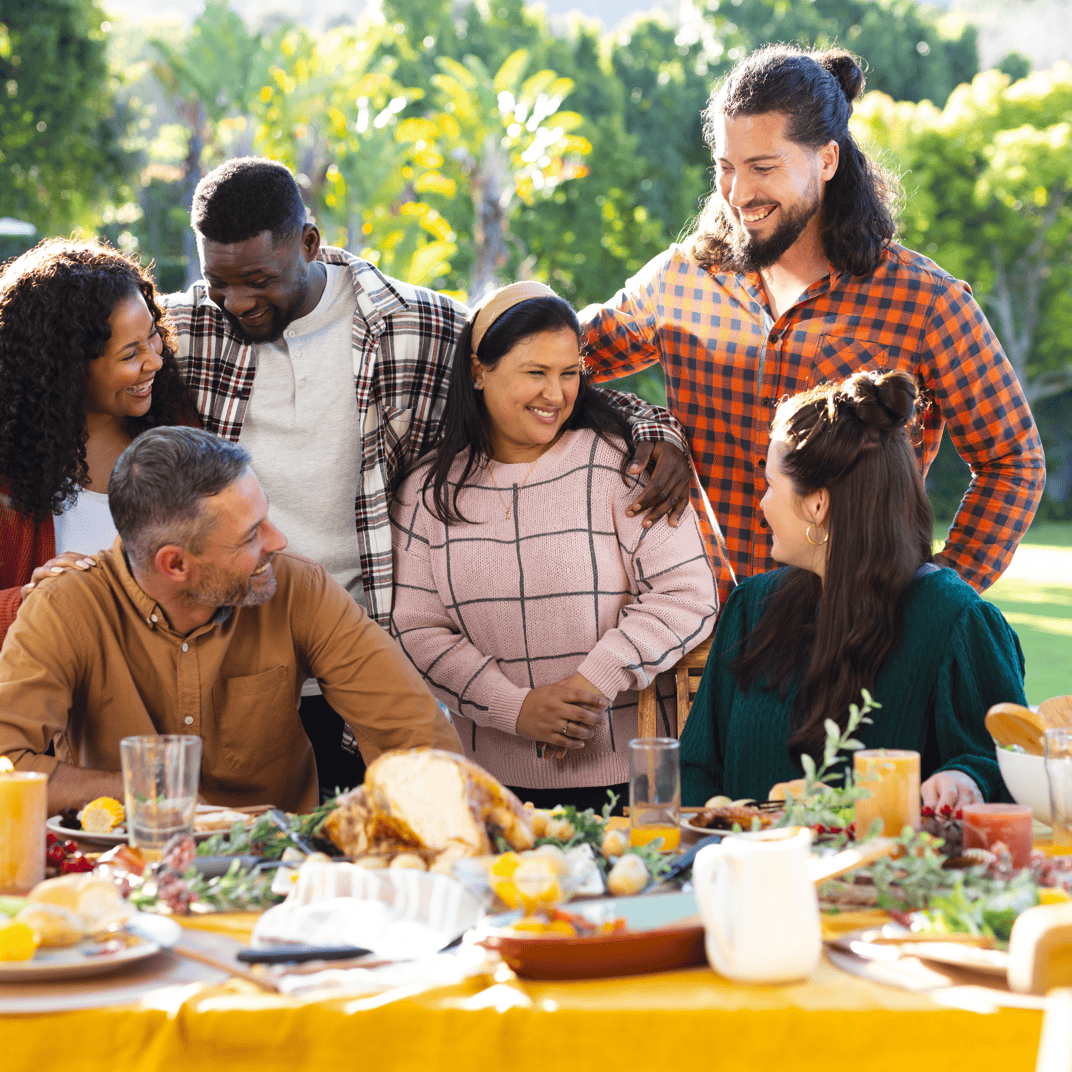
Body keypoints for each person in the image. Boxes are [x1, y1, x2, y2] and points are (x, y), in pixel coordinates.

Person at [160, 156, 695, 794]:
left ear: (308, 243)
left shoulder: (418, 324)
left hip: (359, 658)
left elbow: (542, 377)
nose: (237, 302)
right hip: (239, 653)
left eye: (257, 280)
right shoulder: (187, 328)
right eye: (219, 282)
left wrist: (657, 430)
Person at [581, 44, 1045, 605]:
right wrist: (652, 426)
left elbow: (1013, 462)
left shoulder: (925, 301)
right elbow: (550, 363)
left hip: (852, 640)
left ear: (826, 160)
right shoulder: (680, 281)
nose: (738, 193)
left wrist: (932, 602)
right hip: (699, 639)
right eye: (725, 168)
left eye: (763, 168)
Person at [0, 427, 462, 814]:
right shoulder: (66, 607)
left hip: (279, 866)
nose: (278, 542)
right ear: (175, 564)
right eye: (250, 536)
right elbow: (5, 764)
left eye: (266, 518)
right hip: (122, 867)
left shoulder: (299, 587)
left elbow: (416, 736)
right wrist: (134, 790)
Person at [390, 282, 718, 812]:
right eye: (535, 373)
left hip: (636, 777)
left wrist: (593, 684)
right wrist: (514, 708)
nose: (556, 394)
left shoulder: (622, 463)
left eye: (569, 373)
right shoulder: (427, 491)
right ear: (478, 371)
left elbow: (687, 594)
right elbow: (417, 629)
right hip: (491, 786)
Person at [678, 369, 1028, 812]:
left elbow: (1010, 763)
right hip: (745, 855)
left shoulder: (956, 620)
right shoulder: (752, 608)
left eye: (770, 485)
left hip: (888, 859)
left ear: (817, 504)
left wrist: (966, 778)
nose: (762, 503)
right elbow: (696, 770)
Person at [0, 238, 193, 638]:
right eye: (130, 355)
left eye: (153, 335)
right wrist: (28, 603)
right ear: (67, 370)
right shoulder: (10, 475)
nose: (156, 360)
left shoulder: (178, 427)